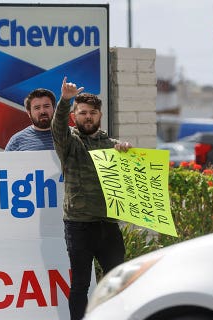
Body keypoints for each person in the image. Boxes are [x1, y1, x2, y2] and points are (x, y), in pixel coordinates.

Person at [51, 77, 132, 320]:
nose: (88, 117)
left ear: (100, 115)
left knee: (116, 283)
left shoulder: (113, 145)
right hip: (78, 225)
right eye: (83, 112)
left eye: (93, 113)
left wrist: (127, 151)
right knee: (80, 285)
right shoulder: (70, 143)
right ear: (74, 115)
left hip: (108, 225)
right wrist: (65, 100)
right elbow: (58, 128)